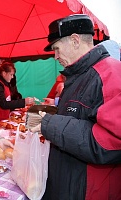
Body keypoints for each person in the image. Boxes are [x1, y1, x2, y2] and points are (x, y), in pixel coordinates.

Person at [31, 14, 121, 200]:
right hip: (68, 184)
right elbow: (81, 117)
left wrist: (50, 124)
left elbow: (111, 141)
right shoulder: (79, 75)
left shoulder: (110, 72)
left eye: (56, 49)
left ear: (75, 40)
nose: (55, 56)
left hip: (89, 191)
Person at [0, 61, 34, 126]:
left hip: (2, 118)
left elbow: (8, 101)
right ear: (4, 73)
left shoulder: (4, 84)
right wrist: (23, 102)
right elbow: (3, 104)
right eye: (11, 74)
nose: (12, 77)